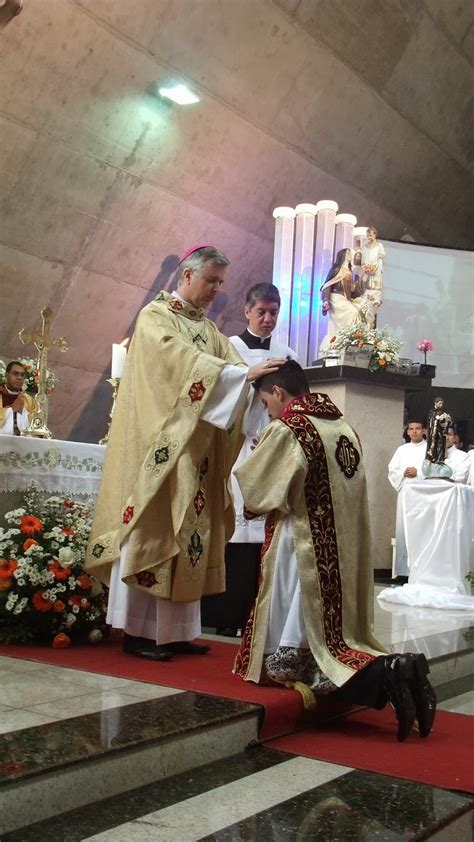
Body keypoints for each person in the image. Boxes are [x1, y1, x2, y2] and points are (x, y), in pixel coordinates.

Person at [85, 245, 285, 661]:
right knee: (155, 530)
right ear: (187, 275)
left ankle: (176, 631)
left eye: (220, 283)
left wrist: (261, 384)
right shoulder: (155, 317)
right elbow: (180, 361)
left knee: (189, 535)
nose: (216, 290)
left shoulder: (209, 329)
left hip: (196, 454)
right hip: (159, 451)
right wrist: (238, 374)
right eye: (211, 280)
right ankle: (138, 632)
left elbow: (235, 370)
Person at [233, 360, 436, 742]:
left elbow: (259, 490)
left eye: (265, 401)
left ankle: (389, 674)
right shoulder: (343, 428)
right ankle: (403, 671)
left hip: (302, 547)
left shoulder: (290, 428)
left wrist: (260, 453)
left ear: (278, 392)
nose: (267, 410)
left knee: (313, 651)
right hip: (340, 552)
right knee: (339, 638)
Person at [201, 283, 297, 637]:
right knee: (234, 531)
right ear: (247, 311)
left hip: (270, 448)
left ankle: (256, 617)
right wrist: (248, 376)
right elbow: (215, 393)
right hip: (236, 448)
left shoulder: (286, 352)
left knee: (263, 535)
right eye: (262, 312)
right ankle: (224, 614)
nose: (269, 318)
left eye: (274, 312)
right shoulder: (231, 348)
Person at [387, 420, 427, 584]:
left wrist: (419, 472)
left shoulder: (429, 449)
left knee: (420, 531)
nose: (415, 431)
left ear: (424, 430)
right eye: (411, 429)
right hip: (405, 492)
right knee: (403, 531)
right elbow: (392, 470)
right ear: (407, 432)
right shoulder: (401, 450)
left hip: (424, 494)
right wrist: (403, 473)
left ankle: (421, 571)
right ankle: (403, 572)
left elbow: (435, 468)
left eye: (418, 428)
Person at [319, 248, 365, 354]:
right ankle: (340, 341)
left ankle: (346, 341)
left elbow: (353, 290)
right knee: (353, 312)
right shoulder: (337, 268)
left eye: (350, 253)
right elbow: (327, 284)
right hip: (336, 298)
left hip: (345, 299)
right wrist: (325, 300)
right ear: (342, 255)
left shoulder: (350, 271)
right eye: (348, 253)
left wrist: (362, 278)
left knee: (358, 312)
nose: (350, 255)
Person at [0, 361, 36, 435]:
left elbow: (36, 426)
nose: (19, 378)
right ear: (6, 375)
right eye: (15, 374)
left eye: (22, 375)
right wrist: (11, 409)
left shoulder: (29, 400)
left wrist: (23, 412)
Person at [360, 226, 385, 326]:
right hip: (367, 269)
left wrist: (375, 265)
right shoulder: (365, 247)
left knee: (375, 280)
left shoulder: (379, 245)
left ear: (375, 234)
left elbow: (382, 255)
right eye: (367, 235)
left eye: (370, 235)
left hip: (376, 268)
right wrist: (366, 266)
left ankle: (374, 288)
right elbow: (363, 259)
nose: (369, 237)